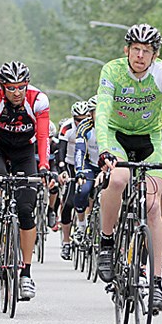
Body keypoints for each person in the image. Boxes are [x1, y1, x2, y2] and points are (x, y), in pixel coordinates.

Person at [95, 23, 162, 313]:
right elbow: (102, 110)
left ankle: (156, 281)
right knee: (119, 178)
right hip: (116, 135)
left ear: (154, 55)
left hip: (150, 139)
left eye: (146, 51)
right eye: (135, 49)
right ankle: (107, 242)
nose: (139, 55)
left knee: (152, 205)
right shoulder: (112, 71)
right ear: (127, 50)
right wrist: (104, 150)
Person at [0, 60, 50, 299]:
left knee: (27, 209)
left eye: (21, 87)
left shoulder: (38, 100)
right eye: (11, 87)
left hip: (24, 152)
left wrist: (45, 166)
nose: (17, 92)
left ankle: (26, 273)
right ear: (2, 86)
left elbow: (43, 137)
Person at [58, 101, 89, 260]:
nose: (80, 122)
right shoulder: (67, 128)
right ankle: (66, 242)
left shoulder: (92, 127)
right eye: (77, 119)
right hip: (70, 164)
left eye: (84, 118)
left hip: (87, 165)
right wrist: (62, 169)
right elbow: (61, 150)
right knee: (68, 203)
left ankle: (88, 226)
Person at [74, 95, 100, 240]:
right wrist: (79, 171)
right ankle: (81, 224)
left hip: (107, 165)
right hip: (89, 163)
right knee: (83, 189)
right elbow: (79, 150)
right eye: (97, 111)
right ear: (91, 113)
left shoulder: (113, 125)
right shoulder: (85, 126)